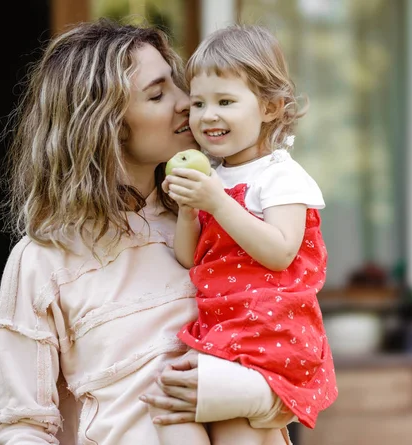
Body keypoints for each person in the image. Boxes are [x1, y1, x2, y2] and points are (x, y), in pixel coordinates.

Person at [0, 18, 295, 445]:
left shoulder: (223, 222)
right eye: (157, 94)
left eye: (177, 84)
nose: (187, 102)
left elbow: (297, 364)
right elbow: (22, 428)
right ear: (102, 125)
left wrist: (246, 395)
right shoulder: (44, 259)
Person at [160, 24, 338, 445]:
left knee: (234, 426)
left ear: (271, 107)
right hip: (226, 327)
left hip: (272, 330)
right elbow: (190, 259)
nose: (208, 116)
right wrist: (189, 211)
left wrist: (218, 203)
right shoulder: (214, 177)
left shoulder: (281, 176)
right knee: (233, 427)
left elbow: (280, 251)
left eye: (225, 101)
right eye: (199, 103)